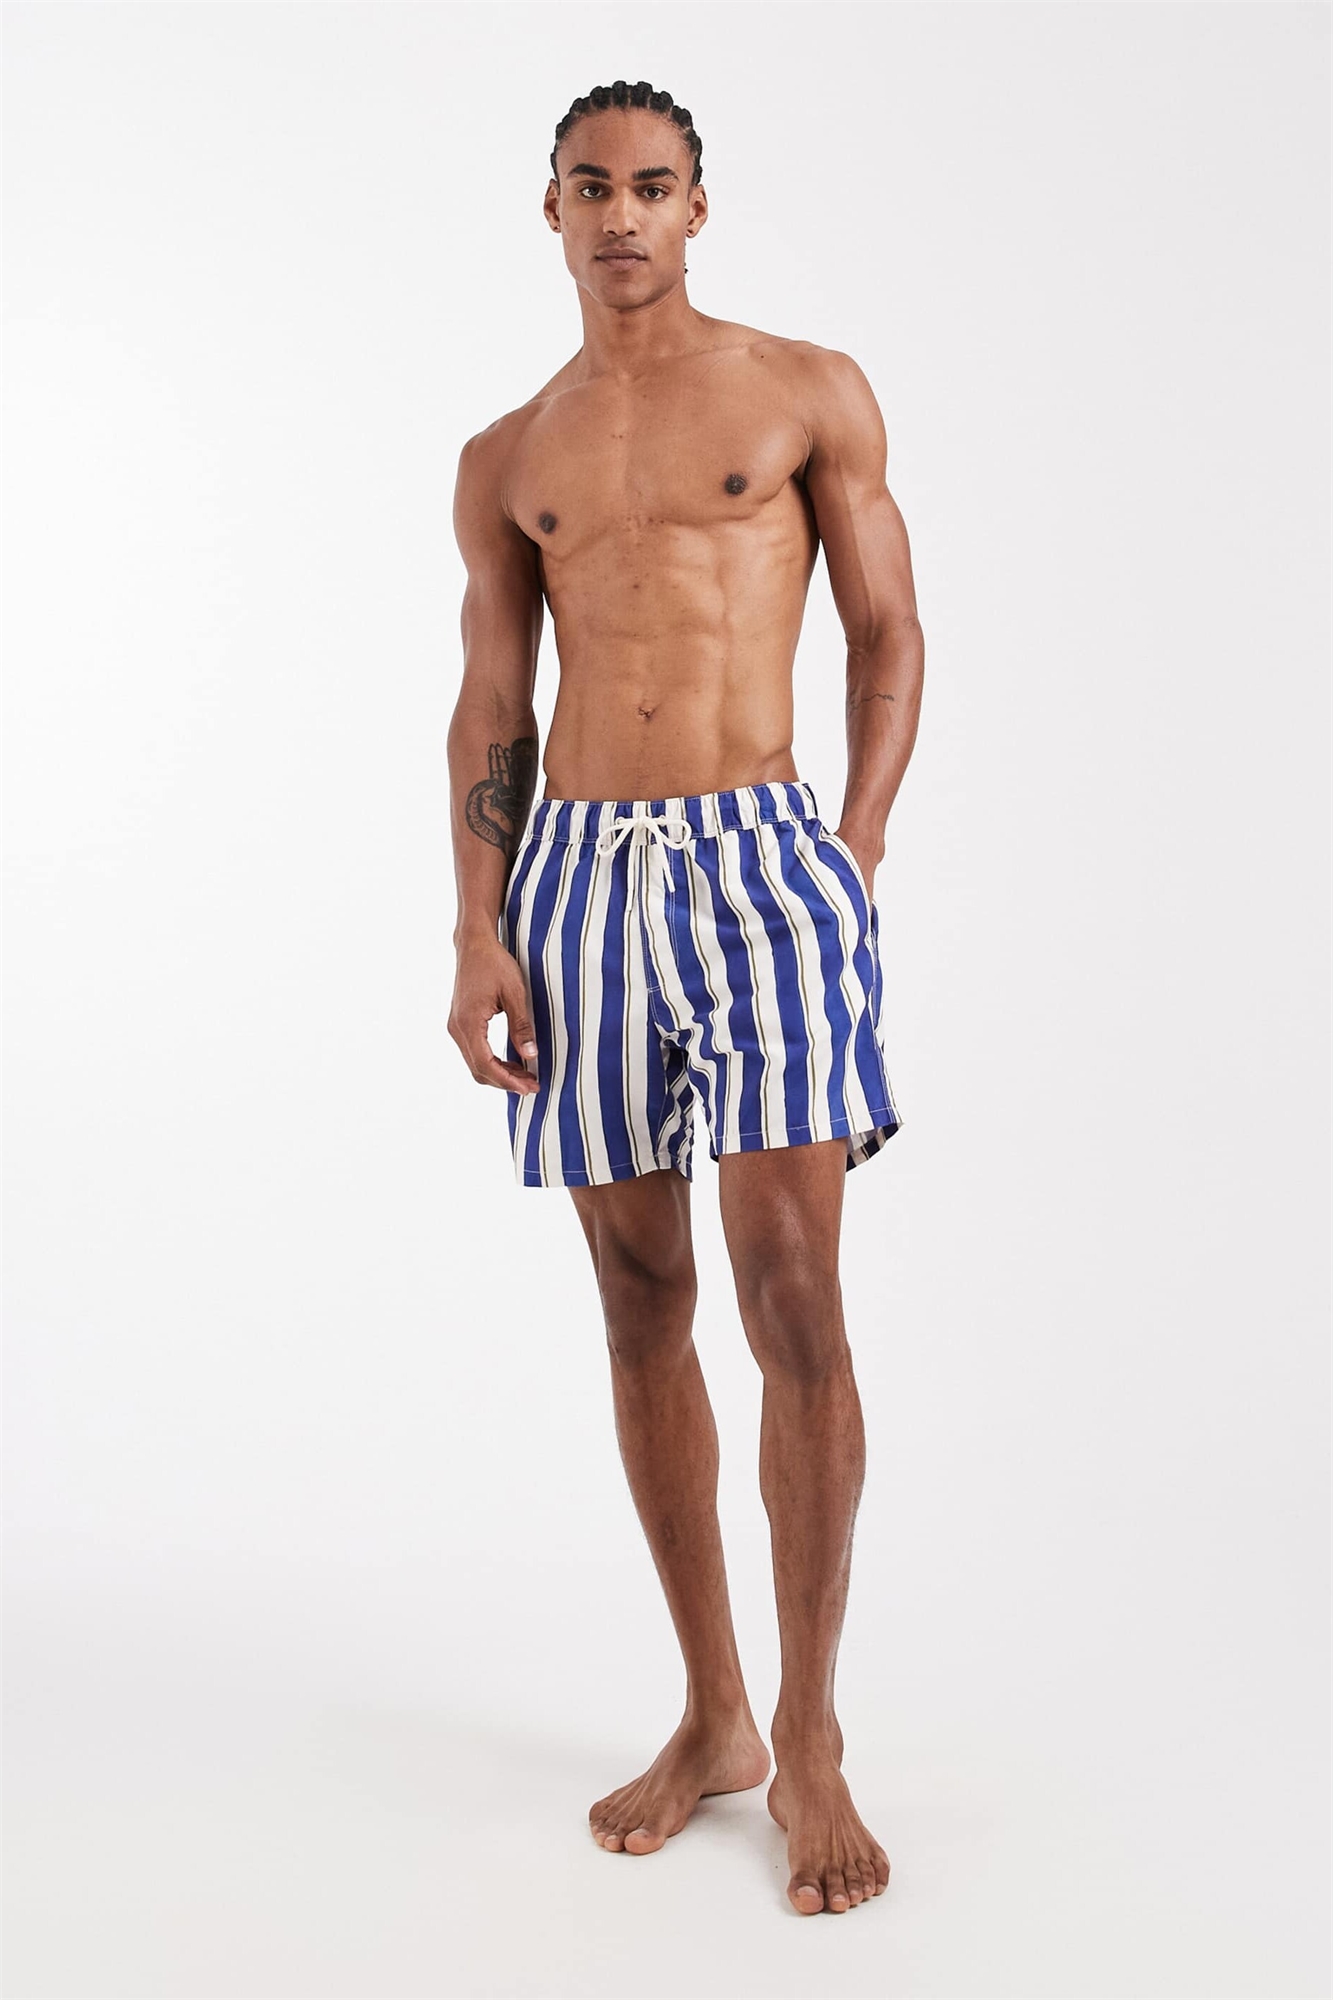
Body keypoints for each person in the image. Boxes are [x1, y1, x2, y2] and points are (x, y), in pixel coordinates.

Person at [446, 78, 923, 1918]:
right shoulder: (509, 453)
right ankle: (714, 1712)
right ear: (550, 211)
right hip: (573, 879)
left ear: (698, 207)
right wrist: (476, 927)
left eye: (653, 185)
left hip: (760, 860)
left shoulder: (804, 390)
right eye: (592, 187)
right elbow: (492, 703)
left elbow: (886, 632)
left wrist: (851, 850)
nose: (622, 214)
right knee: (640, 1295)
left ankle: (811, 1735)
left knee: (791, 1289)